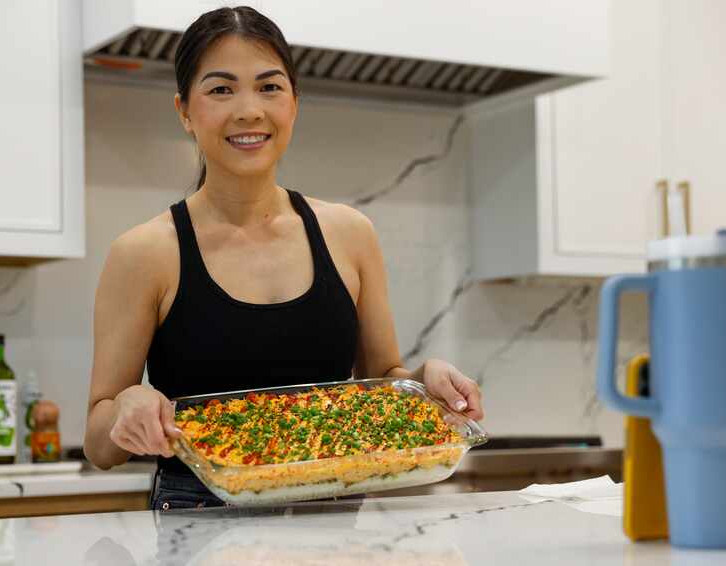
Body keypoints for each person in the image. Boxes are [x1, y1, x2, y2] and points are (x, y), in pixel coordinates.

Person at [83, 6, 484, 511]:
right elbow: (99, 444)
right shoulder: (145, 252)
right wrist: (125, 404)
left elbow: (384, 379)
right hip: (197, 530)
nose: (249, 110)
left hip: (331, 525)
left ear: (295, 103)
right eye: (221, 89)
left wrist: (423, 382)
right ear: (185, 110)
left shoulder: (350, 234)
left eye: (270, 87)